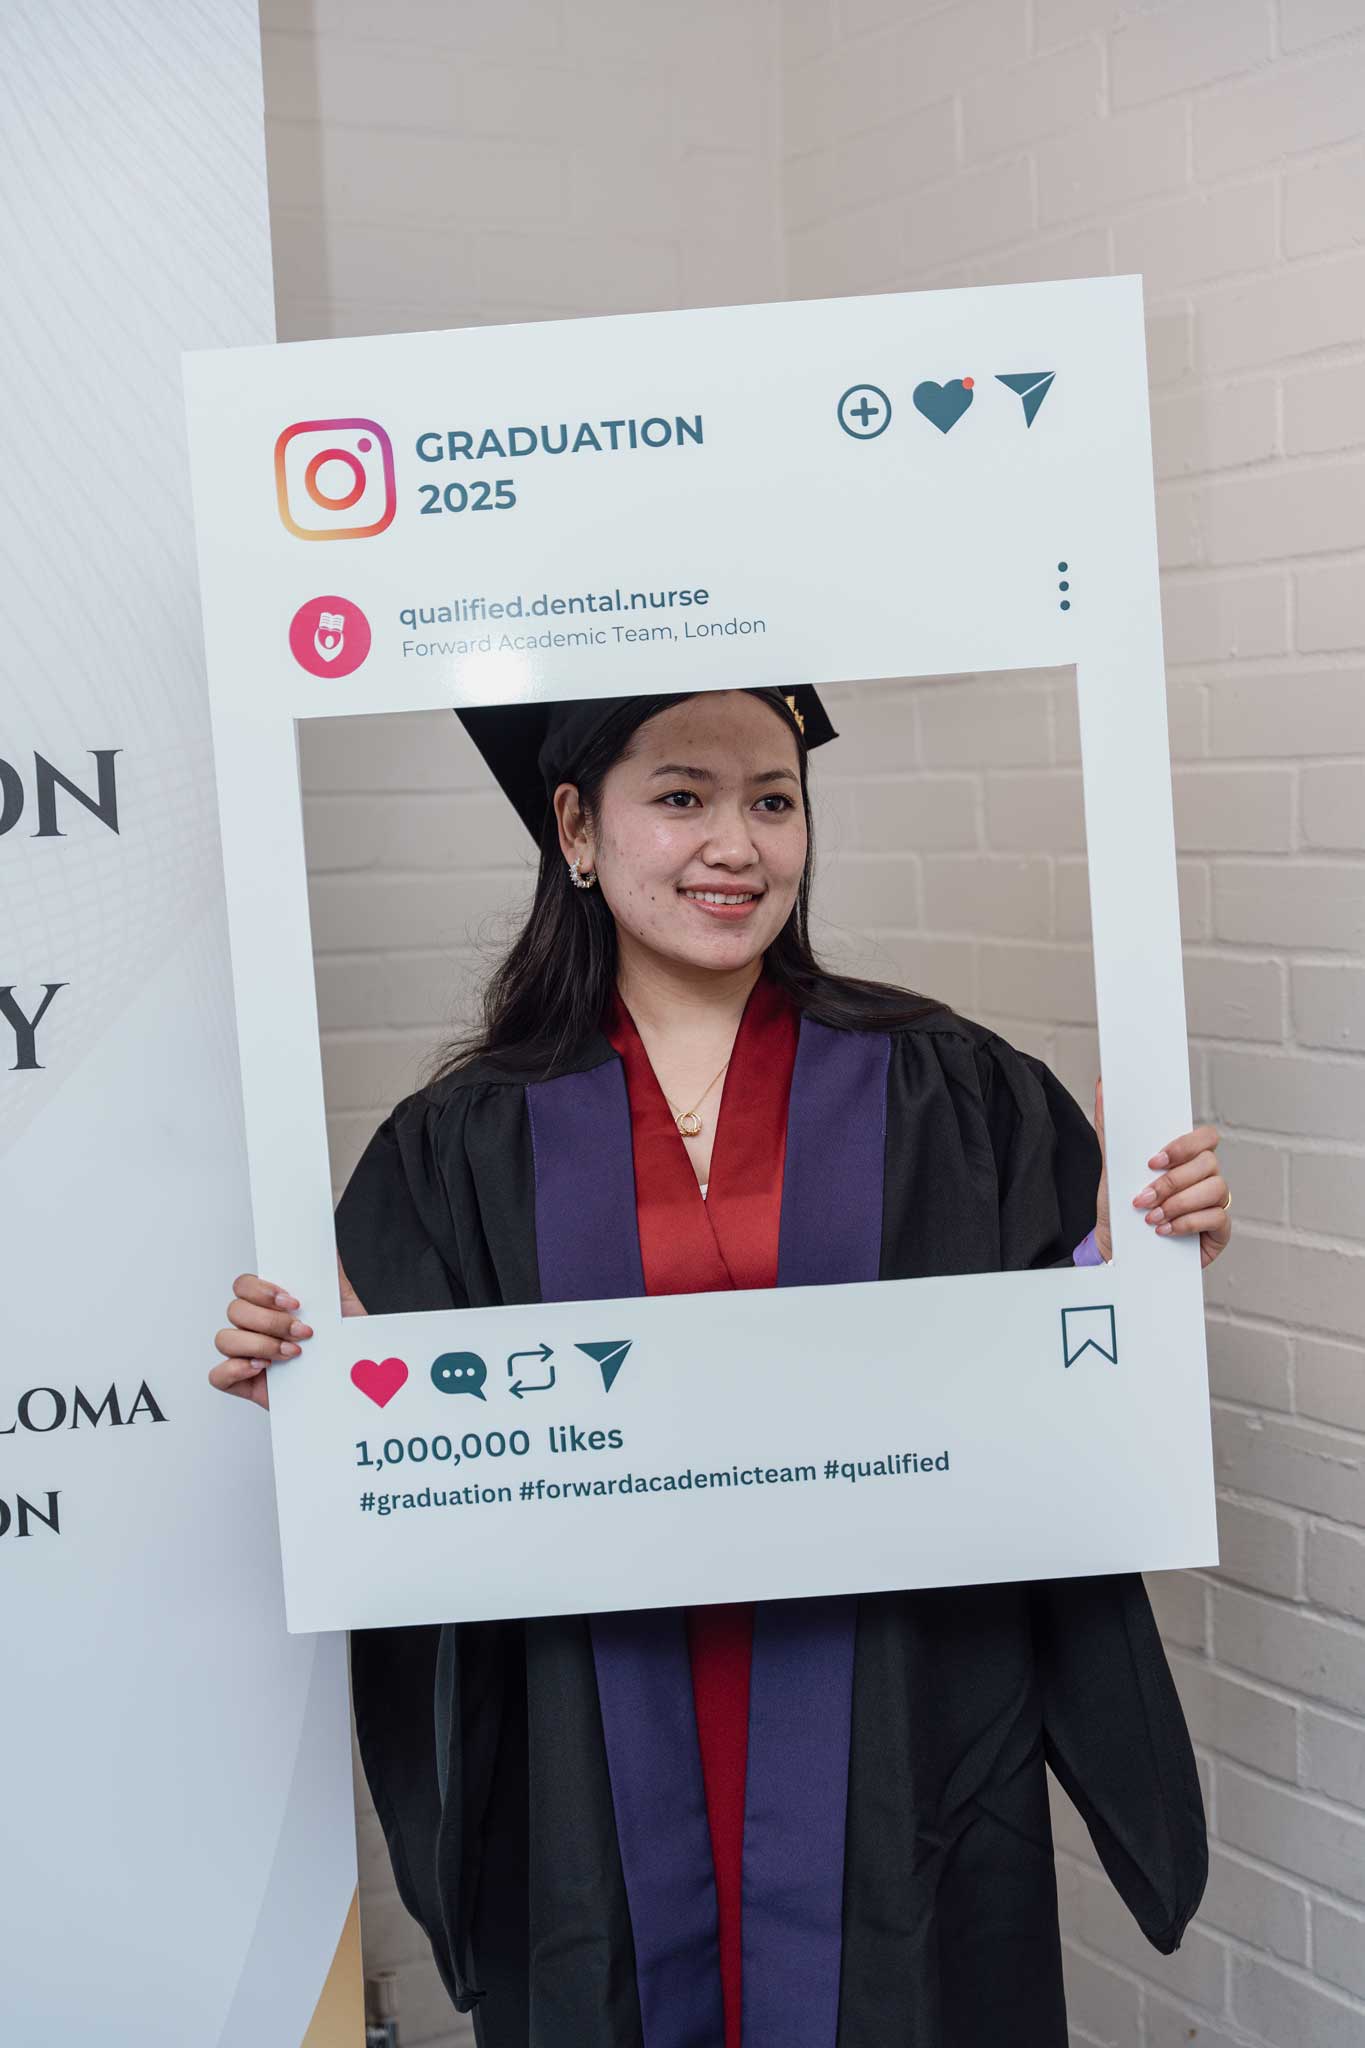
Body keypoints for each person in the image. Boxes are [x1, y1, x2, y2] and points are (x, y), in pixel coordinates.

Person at [211, 684, 1232, 2048]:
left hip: (894, 1702)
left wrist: (1141, 1271)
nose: (735, 845)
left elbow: (1055, 1383)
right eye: (681, 797)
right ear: (575, 828)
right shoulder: (458, 1143)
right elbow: (406, 1464)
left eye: (771, 799)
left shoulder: (950, 1090)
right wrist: (301, 1379)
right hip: (598, 1717)